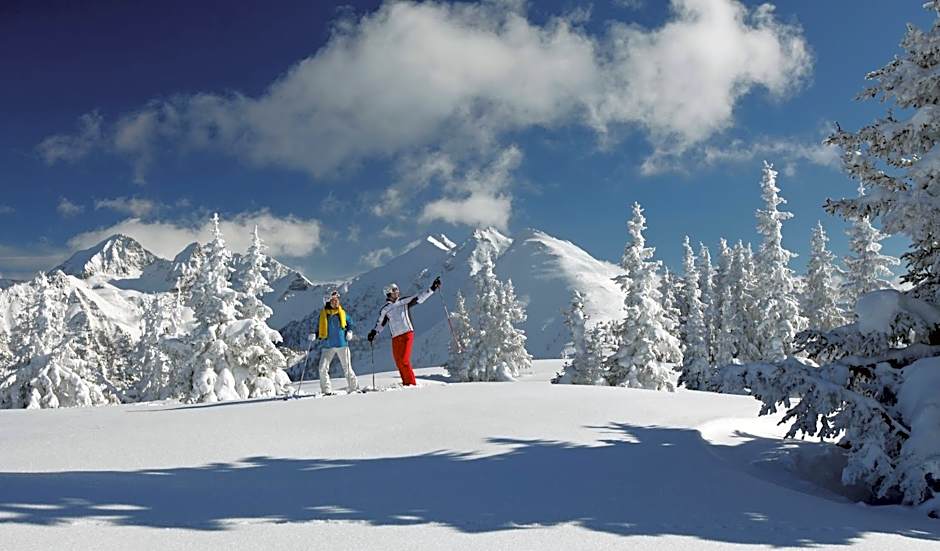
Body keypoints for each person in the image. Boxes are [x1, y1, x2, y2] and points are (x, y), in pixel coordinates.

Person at [367, 276, 441, 386]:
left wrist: (432, 288)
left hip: (407, 333)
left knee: (404, 360)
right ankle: (406, 384)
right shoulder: (385, 310)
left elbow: (420, 297)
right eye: (394, 290)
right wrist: (374, 332)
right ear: (388, 293)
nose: (397, 292)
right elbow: (380, 324)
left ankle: (412, 384)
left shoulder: (404, 301)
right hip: (396, 337)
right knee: (399, 362)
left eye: (397, 289)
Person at [312, 290, 359, 395]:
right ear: (328, 302)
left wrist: (350, 331)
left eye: (337, 300)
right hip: (328, 345)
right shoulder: (324, 315)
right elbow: (319, 329)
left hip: (342, 344)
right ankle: (326, 390)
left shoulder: (342, 313)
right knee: (322, 368)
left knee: (347, 368)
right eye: (333, 300)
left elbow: (350, 322)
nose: (336, 302)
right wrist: (315, 335)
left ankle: (354, 388)